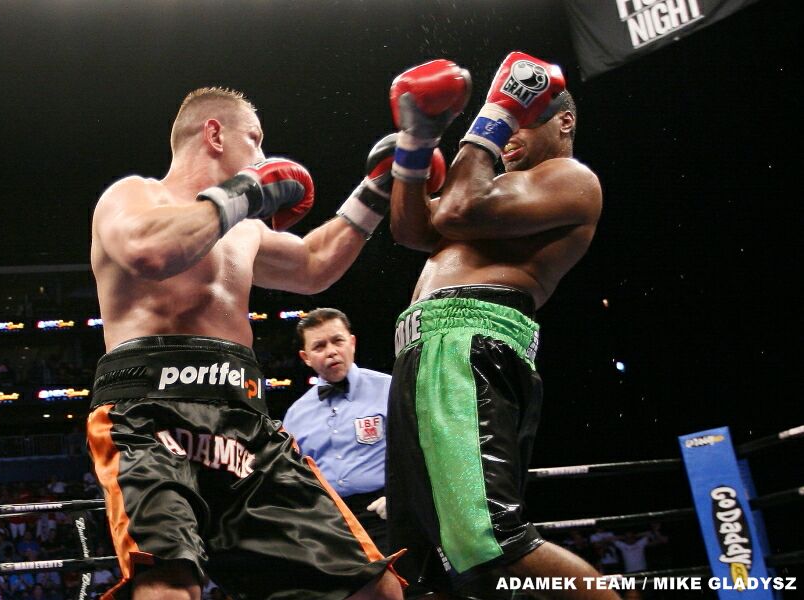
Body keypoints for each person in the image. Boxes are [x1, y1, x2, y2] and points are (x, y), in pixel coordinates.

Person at [87, 87, 419, 600]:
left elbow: (313, 265)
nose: (264, 156)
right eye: (255, 139)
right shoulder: (134, 196)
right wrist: (245, 190)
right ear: (215, 134)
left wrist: (375, 189)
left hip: (244, 420)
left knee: (374, 588)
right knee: (170, 587)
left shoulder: (243, 229)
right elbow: (148, 250)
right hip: (148, 415)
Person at [385, 53, 610, 598]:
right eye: (510, 123)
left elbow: (454, 211)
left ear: (564, 122)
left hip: (466, 349)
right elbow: (412, 229)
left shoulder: (570, 180)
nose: (509, 136)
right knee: (424, 567)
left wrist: (497, 111)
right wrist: (416, 143)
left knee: (488, 544)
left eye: (523, 122)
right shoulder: (495, 196)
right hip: (430, 355)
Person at [283, 308, 391, 551]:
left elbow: (417, 451)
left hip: (384, 513)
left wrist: (402, 497)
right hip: (328, 524)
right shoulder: (295, 415)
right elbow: (293, 478)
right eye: (319, 346)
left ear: (352, 343)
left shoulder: (389, 389)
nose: (331, 351)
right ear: (306, 357)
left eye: (337, 341)